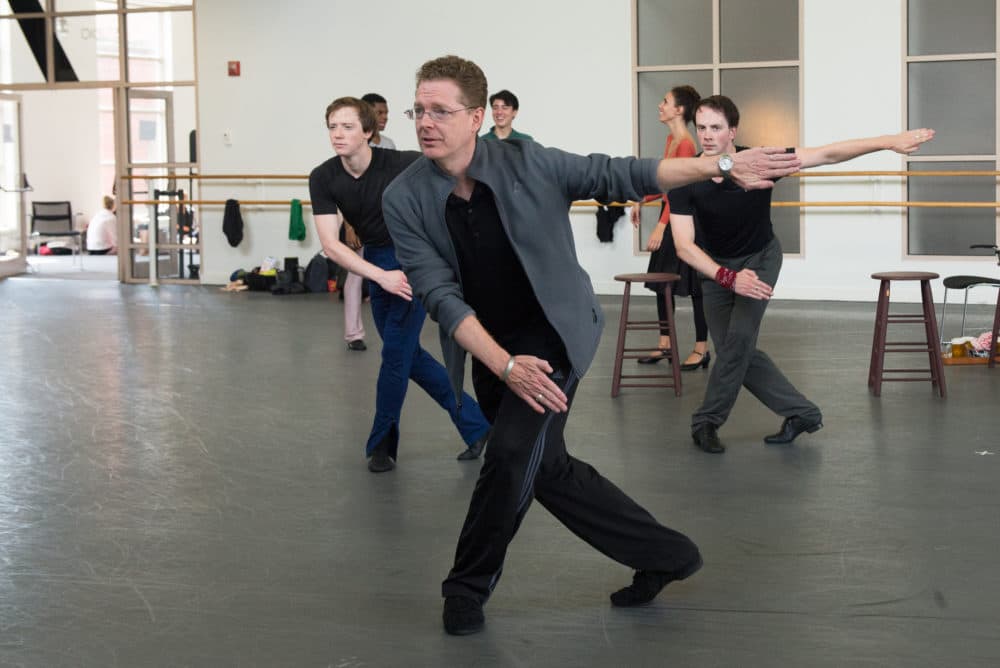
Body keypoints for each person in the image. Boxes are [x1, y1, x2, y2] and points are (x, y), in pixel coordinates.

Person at [382, 55, 802, 636]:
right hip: (490, 344)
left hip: (553, 330)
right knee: (546, 468)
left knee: (508, 456)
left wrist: (721, 163)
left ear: (476, 116)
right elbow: (437, 293)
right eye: (418, 110)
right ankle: (668, 555)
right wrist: (502, 363)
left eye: (440, 111)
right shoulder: (404, 196)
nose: (425, 122)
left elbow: (623, 173)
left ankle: (465, 591)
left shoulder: (532, 163)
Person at [667, 95, 934, 454]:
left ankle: (706, 422)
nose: (707, 136)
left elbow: (826, 154)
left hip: (760, 259)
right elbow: (684, 246)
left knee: (736, 345)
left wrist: (887, 142)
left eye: (716, 128)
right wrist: (728, 278)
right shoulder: (686, 176)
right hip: (715, 269)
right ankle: (802, 413)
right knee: (736, 350)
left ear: (733, 131)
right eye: (701, 128)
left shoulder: (762, 161)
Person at [308, 96, 491, 472]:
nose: (338, 134)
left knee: (394, 355)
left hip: (413, 258)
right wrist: (381, 276)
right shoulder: (324, 176)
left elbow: (455, 168)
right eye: (332, 127)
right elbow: (330, 244)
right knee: (408, 355)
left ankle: (381, 445)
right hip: (379, 263)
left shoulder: (402, 163)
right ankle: (476, 425)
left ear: (369, 132)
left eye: (347, 127)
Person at [630, 85, 710, 371]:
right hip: (672, 217)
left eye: (665, 102)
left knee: (697, 287)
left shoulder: (687, 144)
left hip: (684, 223)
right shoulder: (671, 140)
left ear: (679, 110)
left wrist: (660, 227)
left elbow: (678, 190)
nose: (660, 106)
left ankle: (702, 348)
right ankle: (665, 344)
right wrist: (641, 198)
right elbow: (664, 184)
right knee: (661, 284)